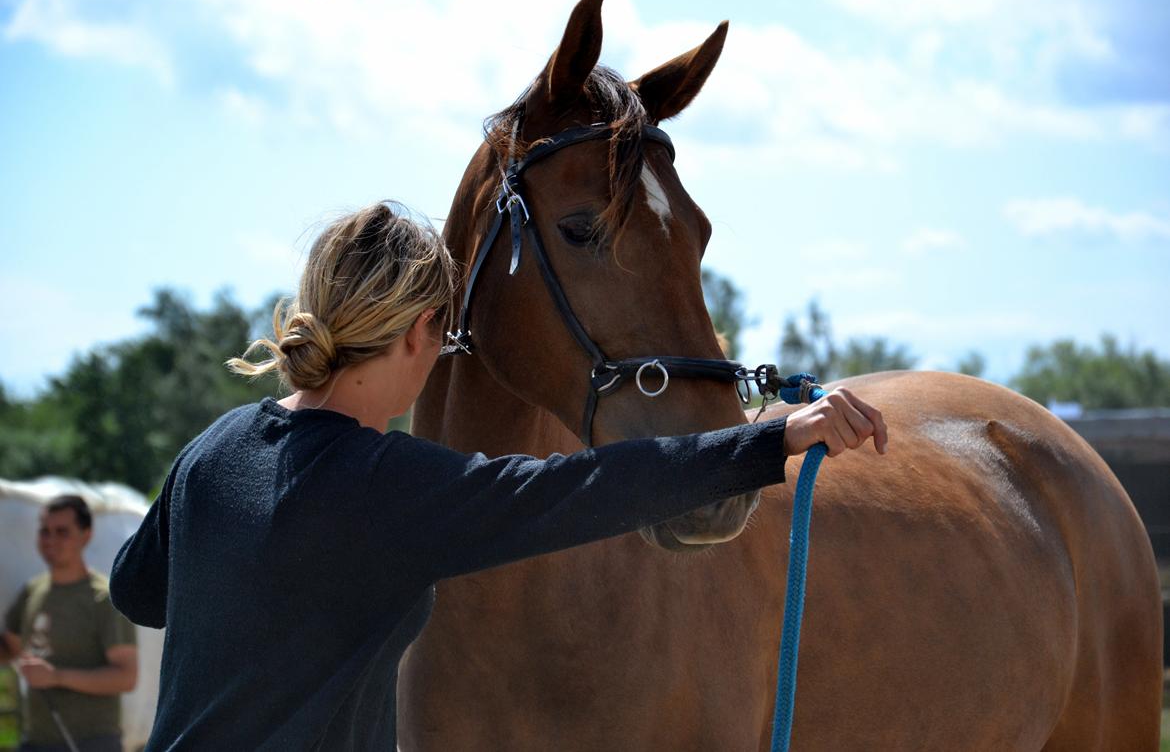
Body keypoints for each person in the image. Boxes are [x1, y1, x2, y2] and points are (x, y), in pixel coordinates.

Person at [110, 201, 888, 750]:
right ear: (422, 332)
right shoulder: (387, 485)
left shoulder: (215, 448)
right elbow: (589, 489)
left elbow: (137, 591)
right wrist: (774, 439)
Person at [2, 495, 138, 752]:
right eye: (45, 531)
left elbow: (126, 676)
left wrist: (56, 677)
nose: (51, 540)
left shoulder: (104, 598)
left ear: (86, 535)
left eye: (62, 532)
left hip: (91, 743)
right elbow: (10, 648)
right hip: (34, 743)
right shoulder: (32, 591)